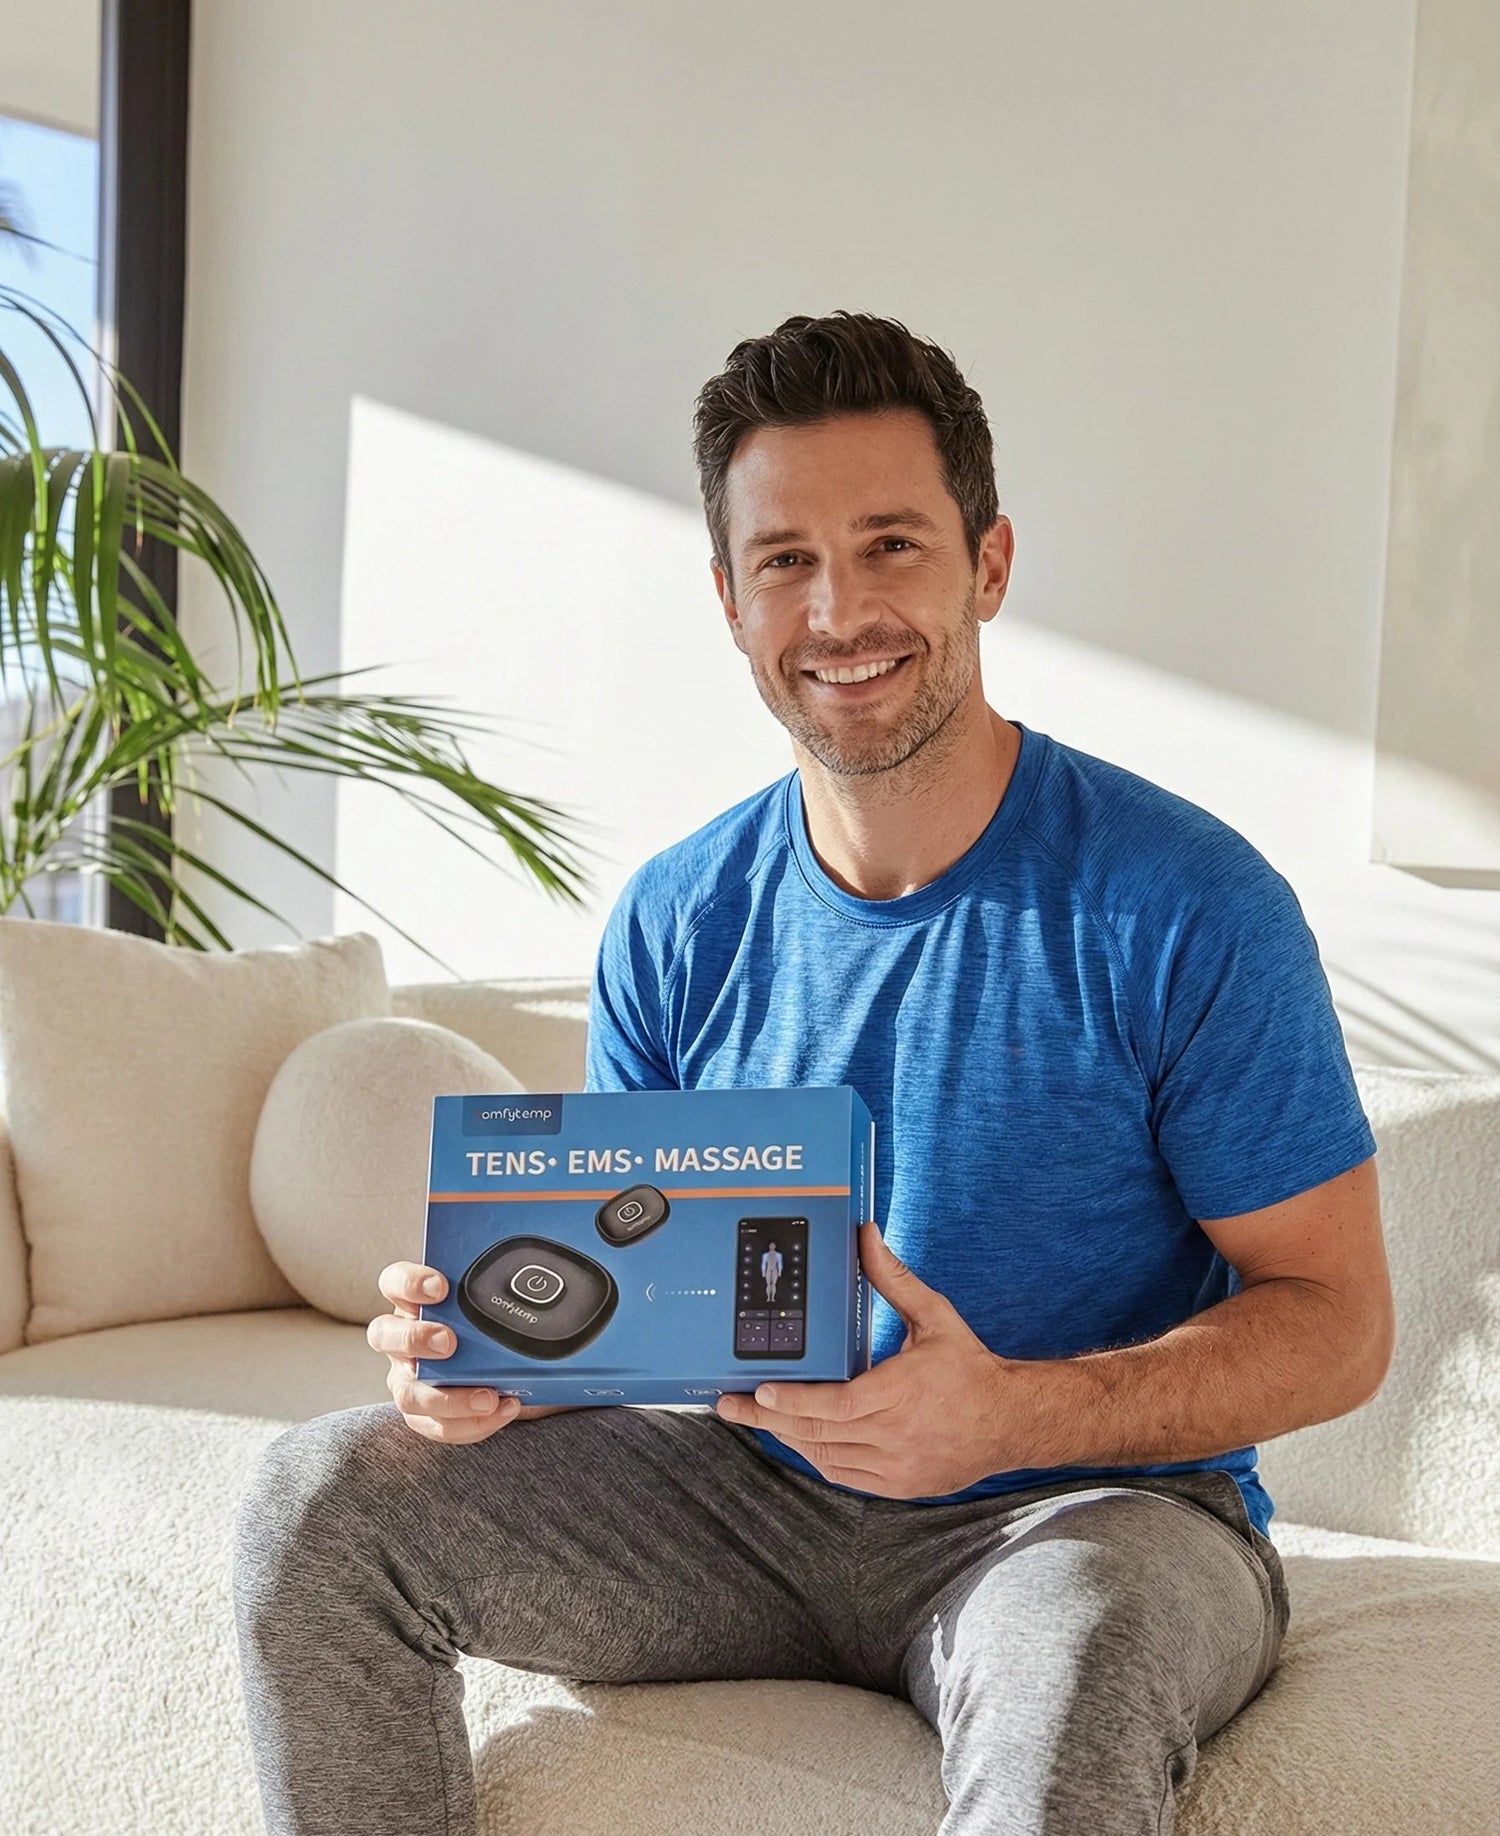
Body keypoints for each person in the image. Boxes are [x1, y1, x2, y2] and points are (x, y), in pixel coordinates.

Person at [233, 311, 1396, 1836]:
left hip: (1084, 1513)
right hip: (742, 1501)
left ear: (988, 565)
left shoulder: (1186, 906)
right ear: (730, 599)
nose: (840, 609)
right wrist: (498, 1374)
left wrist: (1007, 1416)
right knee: (318, 1504)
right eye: (785, 559)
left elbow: (1341, 1325)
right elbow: (644, 1305)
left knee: (1069, 1679)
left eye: (892, 545)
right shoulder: (674, 916)